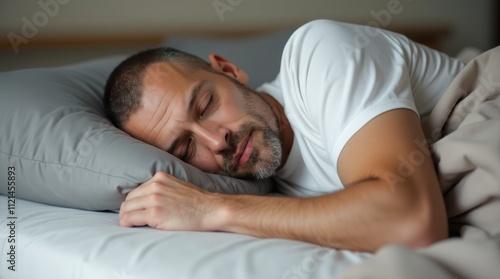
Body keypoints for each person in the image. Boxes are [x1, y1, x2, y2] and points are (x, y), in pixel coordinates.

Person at [103, 19, 465, 252]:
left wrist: (211, 209)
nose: (216, 141)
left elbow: (412, 220)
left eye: (206, 104)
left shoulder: (319, 52)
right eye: (185, 148)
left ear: (228, 70)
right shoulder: (271, 188)